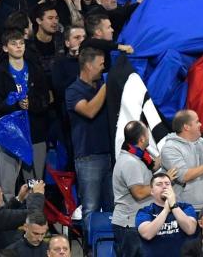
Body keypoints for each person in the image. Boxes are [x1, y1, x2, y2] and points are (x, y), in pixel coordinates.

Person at [0, 28, 49, 198]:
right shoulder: (0, 72)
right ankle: (8, 221)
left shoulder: (35, 69)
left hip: (34, 131)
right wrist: (12, 103)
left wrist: (31, 104)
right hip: (10, 133)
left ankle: (35, 221)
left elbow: (46, 98)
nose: (19, 47)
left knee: (35, 183)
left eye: (21, 43)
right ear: (5, 48)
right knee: (8, 184)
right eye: (14, 44)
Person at [65, 47, 113, 223]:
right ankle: (91, 249)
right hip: (88, 157)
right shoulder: (73, 90)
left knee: (113, 207)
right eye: (100, 64)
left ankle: (110, 248)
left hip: (109, 155)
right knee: (91, 208)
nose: (103, 68)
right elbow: (89, 111)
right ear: (87, 65)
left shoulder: (101, 86)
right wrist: (108, 85)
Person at [160, 109, 203, 211]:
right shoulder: (170, 148)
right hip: (181, 207)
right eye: (197, 122)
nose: (200, 124)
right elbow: (183, 176)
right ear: (186, 127)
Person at [113, 121, 160, 257]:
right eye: (147, 133)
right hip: (130, 225)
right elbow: (138, 193)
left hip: (135, 222)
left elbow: (153, 166)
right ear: (142, 139)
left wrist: (168, 152)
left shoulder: (138, 156)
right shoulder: (130, 162)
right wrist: (161, 183)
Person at [0, 179, 46, 256]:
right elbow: (33, 213)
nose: (2, 193)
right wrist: (38, 194)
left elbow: (2, 213)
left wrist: (19, 198)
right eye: (0, 192)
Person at [136, 172, 198, 256]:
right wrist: (165, 211)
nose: (164, 186)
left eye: (167, 184)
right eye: (159, 184)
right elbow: (147, 234)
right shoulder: (144, 212)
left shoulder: (186, 207)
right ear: (152, 191)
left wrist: (173, 206)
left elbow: (190, 229)